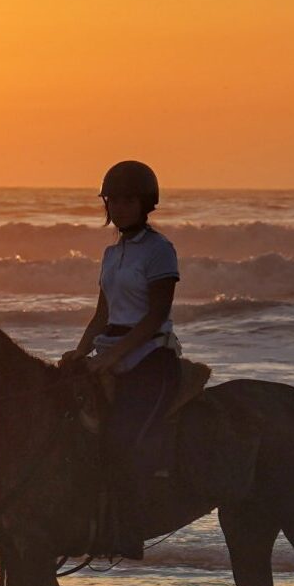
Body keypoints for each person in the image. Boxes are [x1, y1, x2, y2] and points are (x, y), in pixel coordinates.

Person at [62, 158, 180, 559]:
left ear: (146, 204)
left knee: (121, 437)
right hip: (110, 352)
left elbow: (154, 317)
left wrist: (111, 360)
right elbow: (101, 315)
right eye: (113, 200)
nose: (121, 207)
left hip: (150, 359)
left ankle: (128, 532)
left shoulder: (160, 250)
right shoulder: (111, 255)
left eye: (130, 200)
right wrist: (80, 353)